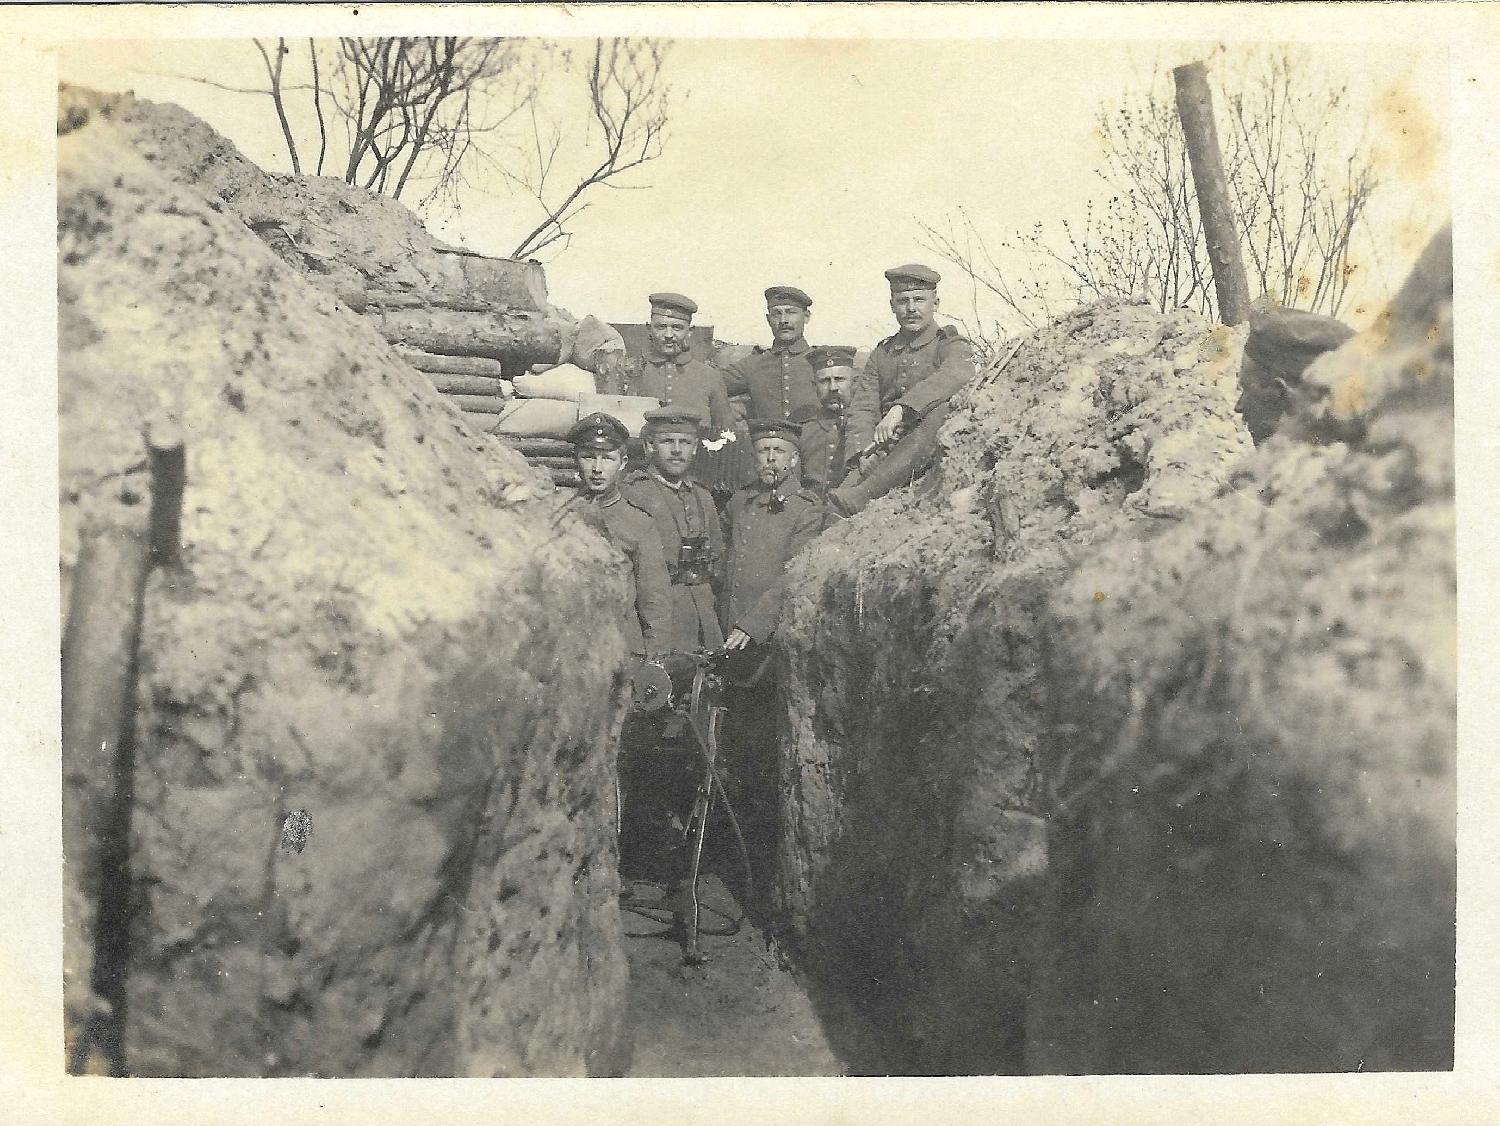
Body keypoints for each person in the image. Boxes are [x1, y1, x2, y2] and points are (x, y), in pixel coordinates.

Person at [828, 263, 977, 517]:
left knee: (941, 410)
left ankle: (864, 494)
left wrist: (901, 409)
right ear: (892, 306)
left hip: (924, 444)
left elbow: (958, 373)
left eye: (919, 300)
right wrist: (859, 452)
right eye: (902, 301)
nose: (911, 309)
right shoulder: (882, 353)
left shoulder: (949, 344)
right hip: (880, 448)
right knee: (832, 508)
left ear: (935, 303)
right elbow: (863, 407)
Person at [563, 411, 672, 660]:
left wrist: (654, 663)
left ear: (623, 463)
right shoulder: (559, 515)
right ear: (575, 460)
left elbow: (655, 604)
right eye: (588, 457)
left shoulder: (638, 523)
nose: (597, 468)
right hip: (568, 651)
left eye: (607, 459)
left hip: (619, 652)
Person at [620, 405, 726, 653]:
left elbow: (717, 558)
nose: (677, 450)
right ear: (649, 446)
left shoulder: (703, 496)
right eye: (667, 441)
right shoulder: (634, 492)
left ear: (696, 447)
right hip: (659, 623)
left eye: (685, 442)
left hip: (704, 621)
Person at [721, 419, 825, 654]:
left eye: (778, 450)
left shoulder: (806, 509)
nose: (770, 458)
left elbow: (794, 577)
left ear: (794, 459)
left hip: (769, 635)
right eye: (762, 450)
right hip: (728, 628)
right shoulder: (739, 501)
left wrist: (753, 625)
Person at [618, 292, 736, 439]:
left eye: (677, 327)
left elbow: (727, 435)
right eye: (660, 327)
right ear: (649, 329)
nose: (668, 334)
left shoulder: (710, 377)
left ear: (690, 331)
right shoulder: (631, 373)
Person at [719, 285, 820, 422]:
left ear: (806, 317)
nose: (783, 320)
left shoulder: (821, 361)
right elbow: (707, 384)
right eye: (776, 314)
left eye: (791, 312)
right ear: (768, 319)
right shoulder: (752, 364)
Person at [790, 344, 858, 501]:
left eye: (839, 379)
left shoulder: (867, 425)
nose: (833, 387)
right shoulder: (802, 428)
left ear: (853, 382)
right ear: (815, 386)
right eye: (825, 381)